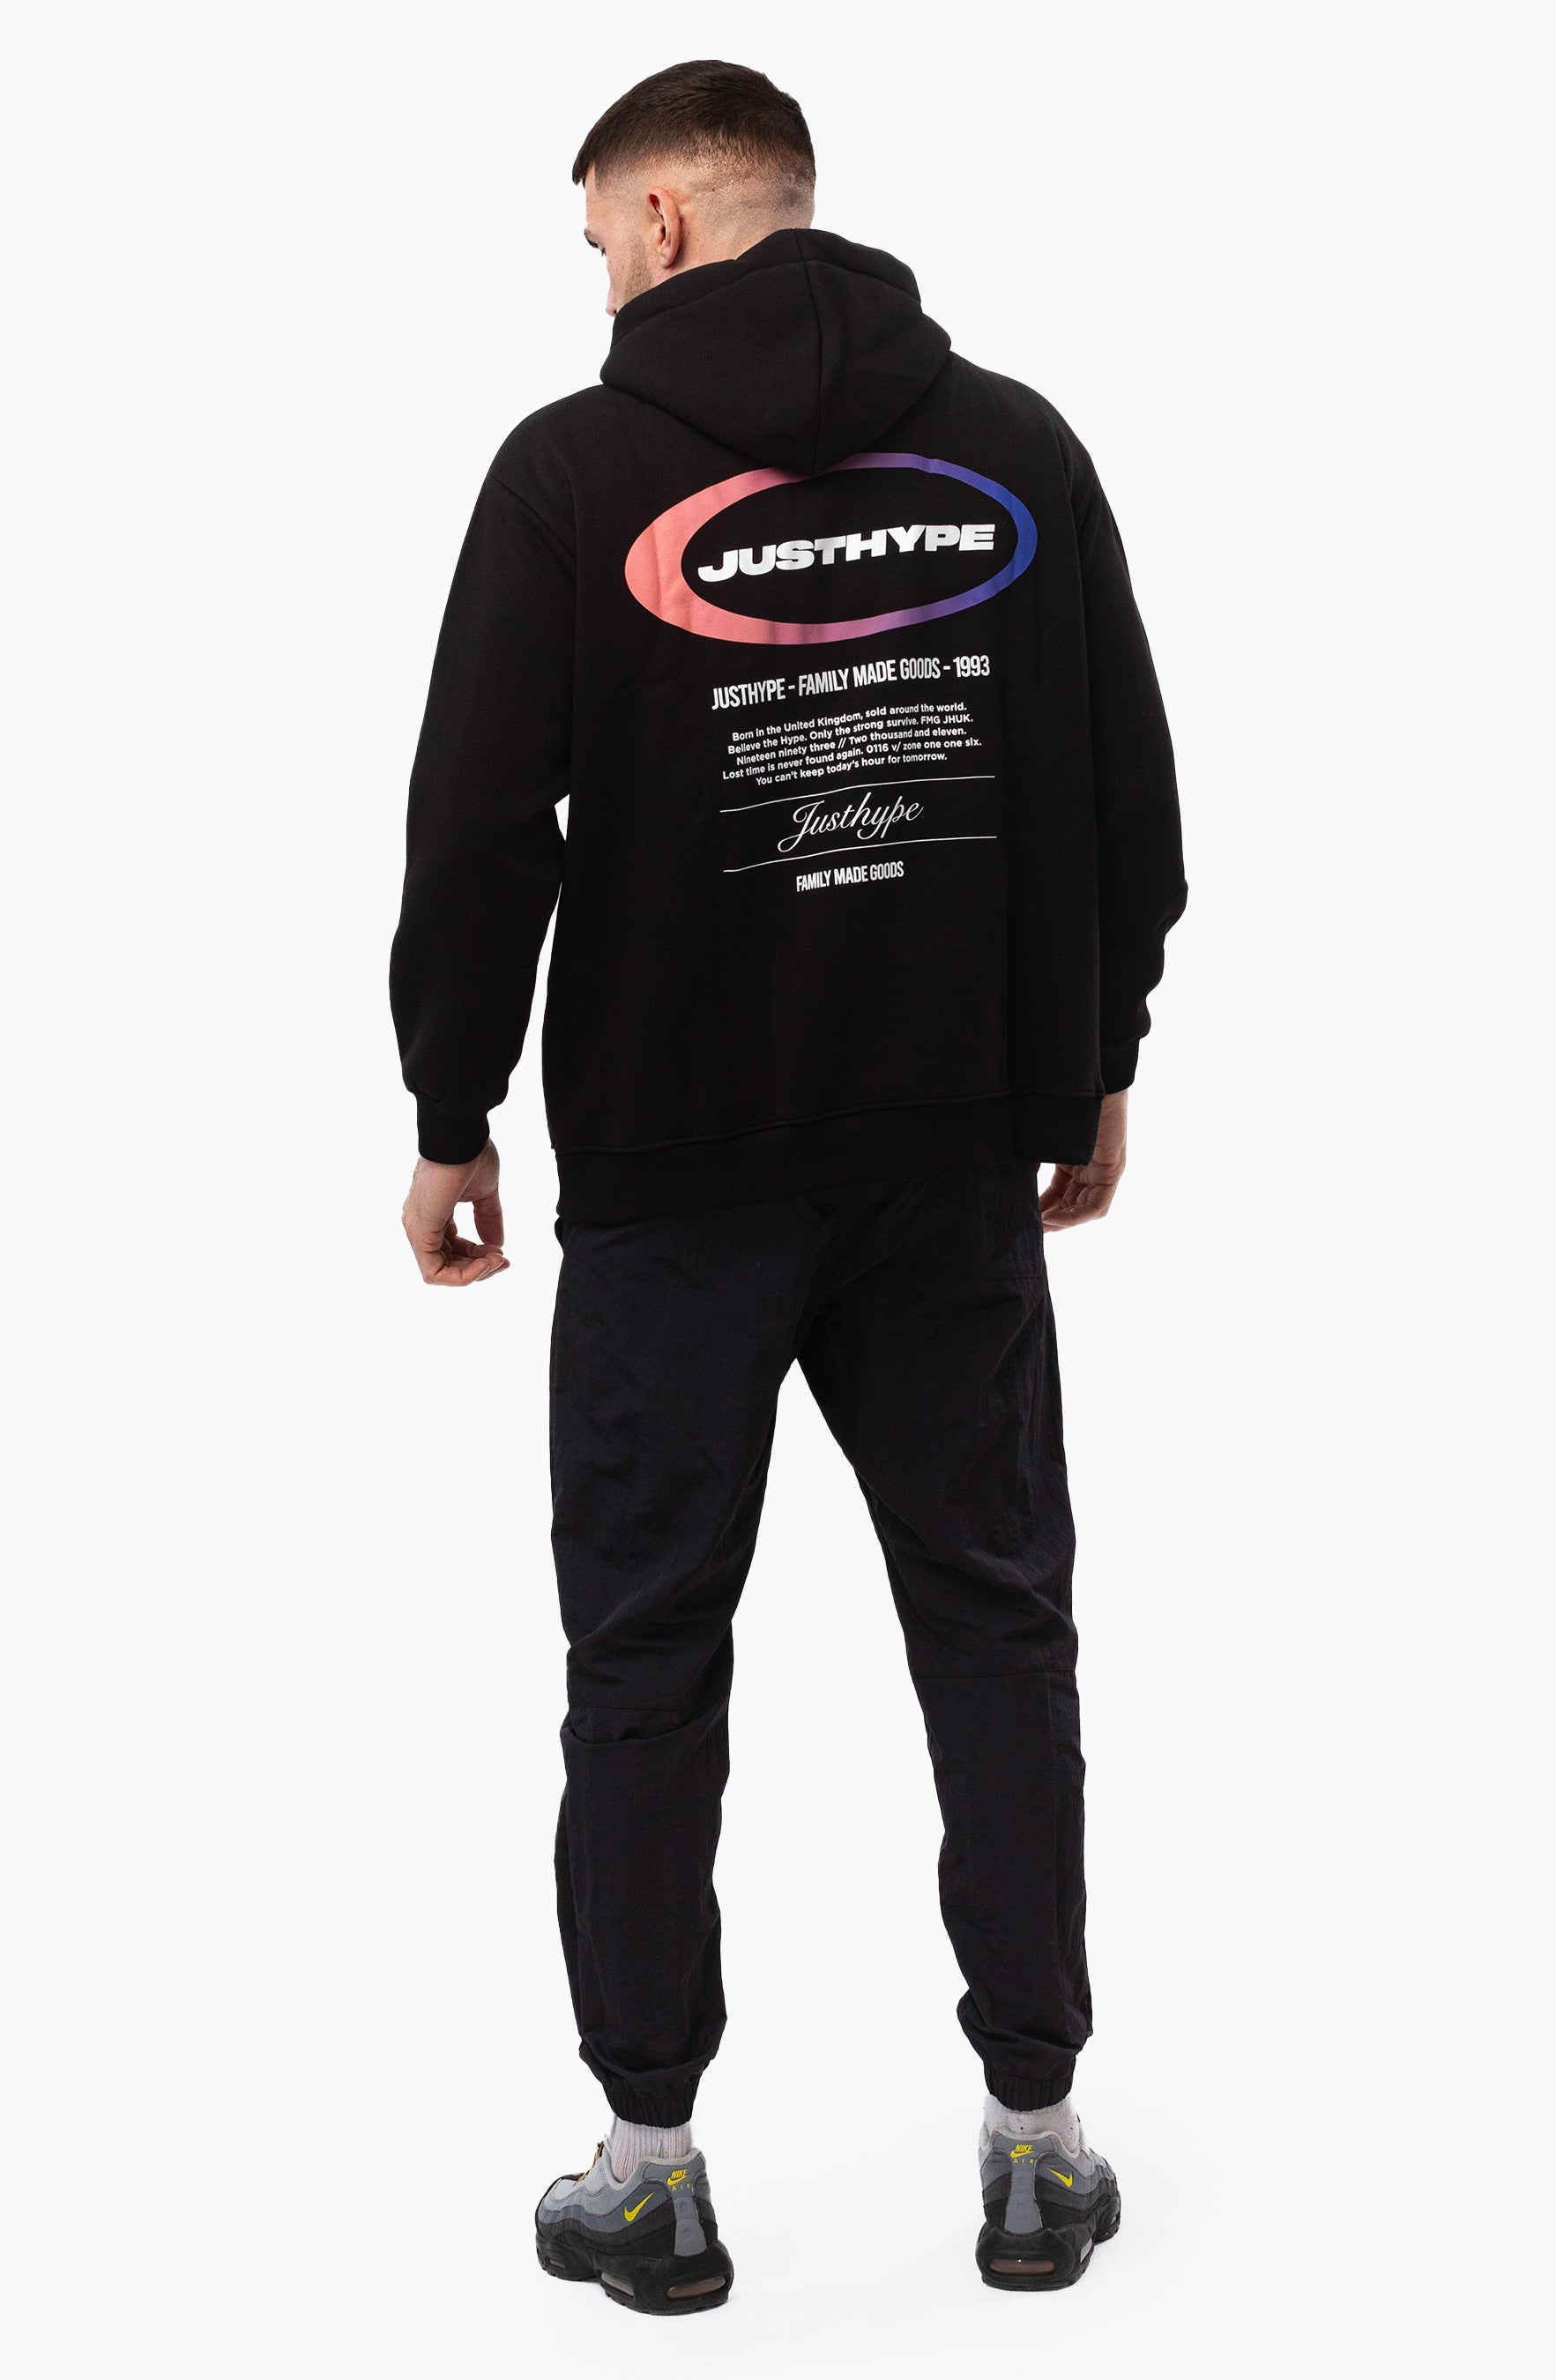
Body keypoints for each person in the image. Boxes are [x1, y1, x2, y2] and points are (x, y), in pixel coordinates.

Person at [391, 58, 1185, 2315]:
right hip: (950, 1155)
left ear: (659, 220)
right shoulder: (1016, 447)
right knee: (998, 1624)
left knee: (645, 1655)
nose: (595, 287)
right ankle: (1038, 2146)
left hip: (675, 1175)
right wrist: (1096, 1061)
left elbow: (479, 826)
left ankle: (651, 2179)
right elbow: (1127, 796)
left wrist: (452, 1110)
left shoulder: (572, 474)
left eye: (593, 244)